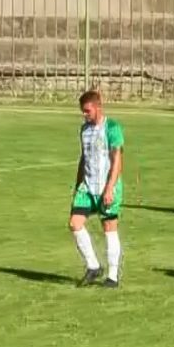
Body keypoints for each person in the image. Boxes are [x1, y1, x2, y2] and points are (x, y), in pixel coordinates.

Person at [70, 90, 124, 288]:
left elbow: (117, 160)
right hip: (87, 186)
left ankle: (112, 276)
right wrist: (78, 185)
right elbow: (83, 158)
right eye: (83, 112)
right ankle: (93, 266)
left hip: (106, 186)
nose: (85, 115)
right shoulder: (84, 130)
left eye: (87, 111)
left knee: (109, 227)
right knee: (75, 223)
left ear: (98, 107)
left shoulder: (112, 127)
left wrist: (110, 188)